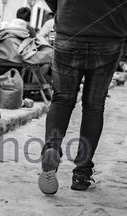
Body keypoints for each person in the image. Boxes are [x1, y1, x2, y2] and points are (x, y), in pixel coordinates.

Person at [38, 0, 127, 194]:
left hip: (70, 31)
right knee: (94, 105)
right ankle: (82, 173)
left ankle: (51, 148)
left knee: (62, 99)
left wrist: (62, 9)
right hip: (109, 35)